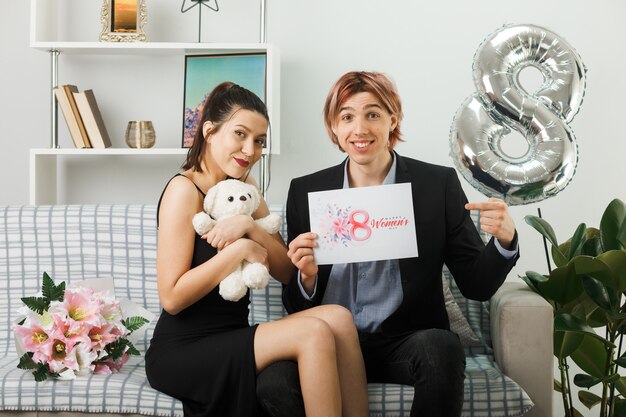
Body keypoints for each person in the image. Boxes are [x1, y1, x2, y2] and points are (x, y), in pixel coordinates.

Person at [256, 71, 519, 417]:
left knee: (441, 347)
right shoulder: (307, 191)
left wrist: (505, 240)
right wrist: (306, 278)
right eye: (347, 116)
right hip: (327, 342)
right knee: (272, 382)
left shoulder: (435, 185)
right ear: (334, 127)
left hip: (404, 341)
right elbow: (297, 306)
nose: (360, 129)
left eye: (373, 114)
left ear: (392, 119)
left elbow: (476, 283)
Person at [145, 82, 369, 417]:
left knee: (337, 317)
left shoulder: (246, 189)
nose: (250, 149)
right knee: (312, 331)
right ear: (209, 131)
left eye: (259, 141)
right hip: (182, 350)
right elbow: (173, 298)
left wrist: (250, 227)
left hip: (230, 335)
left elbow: (285, 270)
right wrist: (239, 251)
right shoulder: (184, 190)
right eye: (240, 134)